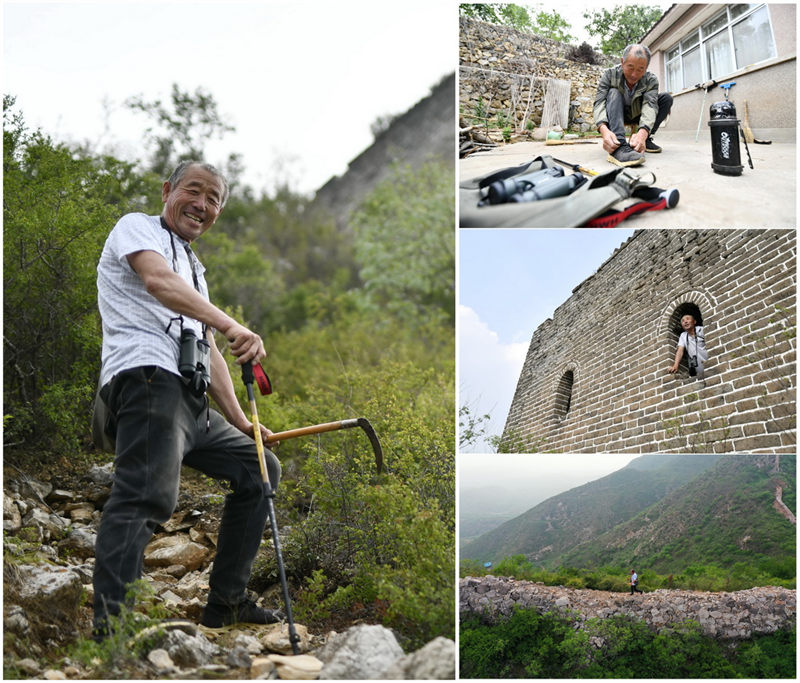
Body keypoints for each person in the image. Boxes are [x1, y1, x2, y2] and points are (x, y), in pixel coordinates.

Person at [92, 160, 283, 638]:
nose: (202, 205)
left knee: (260, 469)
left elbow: (209, 350)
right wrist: (231, 322)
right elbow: (157, 282)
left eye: (213, 198)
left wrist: (241, 422)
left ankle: (227, 603)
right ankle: (112, 631)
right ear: (167, 191)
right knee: (148, 494)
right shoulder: (137, 228)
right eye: (193, 192)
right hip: (148, 379)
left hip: (189, 400)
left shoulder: (196, 269)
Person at [593, 44, 674, 168]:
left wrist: (643, 132)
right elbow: (599, 103)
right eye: (630, 67)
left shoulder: (651, 80)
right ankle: (619, 145)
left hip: (638, 114)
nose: (634, 75)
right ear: (622, 62)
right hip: (616, 115)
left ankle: (645, 139)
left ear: (646, 68)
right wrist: (603, 129)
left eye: (640, 69)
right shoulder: (610, 75)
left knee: (666, 99)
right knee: (613, 92)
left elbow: (650, 105)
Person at [669, 314, 708, 378]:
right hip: (699, 370)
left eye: (688, 319)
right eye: (683, 321)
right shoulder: (683, 335)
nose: (685, 322)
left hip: (710, 362)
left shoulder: (702, 330)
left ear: (694, 321)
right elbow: (680, 351)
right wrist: (675, 366)